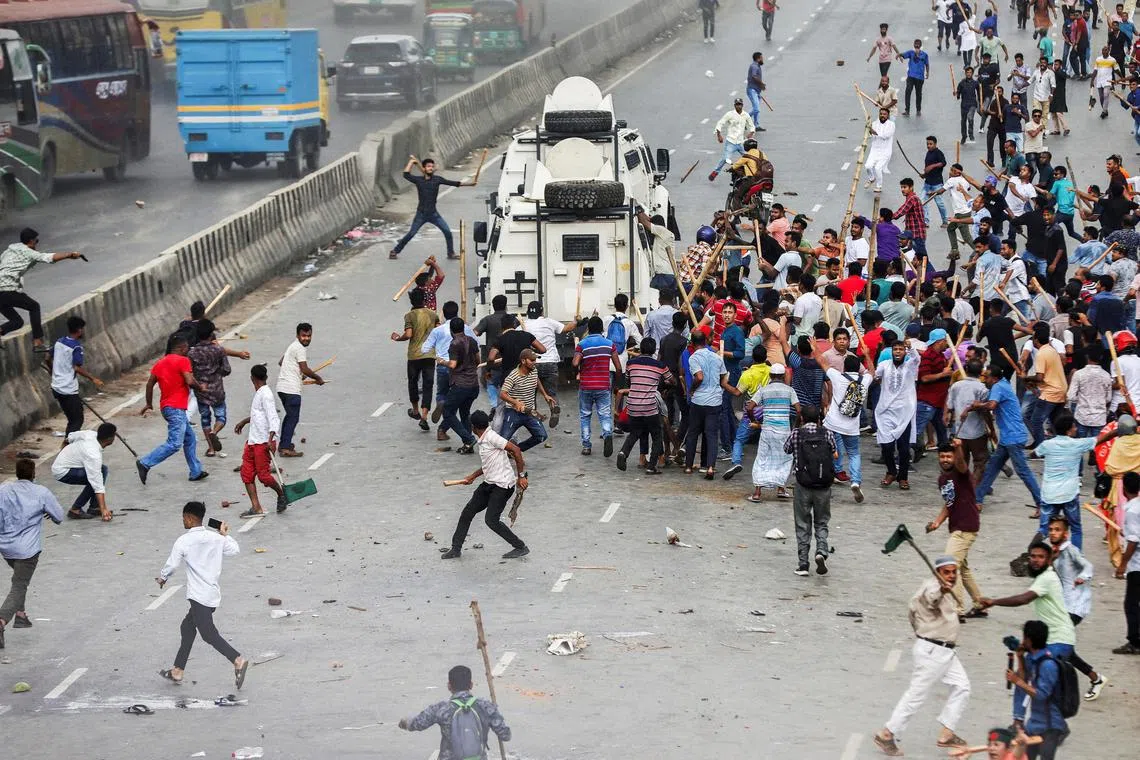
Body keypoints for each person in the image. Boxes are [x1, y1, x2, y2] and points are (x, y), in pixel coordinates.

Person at [981, 540, 1104, 702]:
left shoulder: (1047, 578)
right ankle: (1097, 679)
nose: (1035, 560)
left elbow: (1024, 599)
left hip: (1059, 636)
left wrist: (994, 602)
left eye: (1041, 557)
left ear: (1049, 560)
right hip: (1054, 635)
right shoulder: (1043, 577)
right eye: (1033, 556)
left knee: (1037, 677)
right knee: (1055, 663)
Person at [873, 555, 971, 756]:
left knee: (963, 686)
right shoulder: (932, 588)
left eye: (954, 572)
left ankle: (946, 733)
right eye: (947, 572)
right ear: (937, 573)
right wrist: (942, 589)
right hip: (933, 651)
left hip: (944, 651)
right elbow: (933, 598)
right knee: (916, 695)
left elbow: (912, 614)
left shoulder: (933, 587)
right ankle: (887, 733)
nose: (951, 576)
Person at [156, 501, 248, 689]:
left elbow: (173, 565)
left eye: (184, 518)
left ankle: (237, 659)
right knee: (187, 627)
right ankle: (177, 671)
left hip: (199, 597)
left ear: (189, 518)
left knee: (208, 634)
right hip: (212, 595)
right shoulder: (216, 538)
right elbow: (235, 550)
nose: (183, 522)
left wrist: (163, 577)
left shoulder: (183, 541)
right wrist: (224, 534)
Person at [440, 410, 529, 560]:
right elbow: (489, 463)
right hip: (489, 484)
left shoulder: (492, 437)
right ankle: (456, 549)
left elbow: (516, 450)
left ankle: (520, 547)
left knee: (491, 520)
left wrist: (521, 476)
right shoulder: (483, 439)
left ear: (473, 427)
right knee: (467, 512)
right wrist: (472, 476)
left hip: (502, 486)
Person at [0, 458, 63, 647]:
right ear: (34, 473)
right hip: (28, 550)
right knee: (19, 585)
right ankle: (2, 620)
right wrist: (46, 512)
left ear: (17, 473)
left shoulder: (3, 490)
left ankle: (21, 615)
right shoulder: (41, 493)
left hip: (5, 547)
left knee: (19, 580)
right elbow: (59, 516)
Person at [1035, 414, 1120, 547]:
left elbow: (1035, 453)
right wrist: (1119, 430)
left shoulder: (1047, 445)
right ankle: (1076, 558)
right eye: (1074, 427)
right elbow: (1102, 438)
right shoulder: (1078, 444)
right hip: (1069, 493)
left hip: (1049, 493)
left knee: (1044, 529)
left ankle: (1034, 549)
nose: (1076, 429)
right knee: (1075, 528)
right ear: (1069, 430)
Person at [1046, 515, 1108, 699]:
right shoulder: (1053, 550)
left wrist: (1083, 577)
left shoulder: (1071, 550)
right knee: (1065, 649)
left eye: (1057, 530)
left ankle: (1057, 688)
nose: (1053, 533)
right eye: (1051, 529)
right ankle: (1096, 678)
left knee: (1057, 645)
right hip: (1064, 604)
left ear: (1065, 533)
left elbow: (1087, 566)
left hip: (1077, 603)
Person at [926, 440, 987, 619]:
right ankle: (980, 605)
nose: (945, 459)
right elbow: (949, 503)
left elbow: (961, 463)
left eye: (949, 456)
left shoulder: (961, 473)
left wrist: (959, 447)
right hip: (956, 527)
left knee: (951, 567)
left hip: (965, 527)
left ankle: (957, 609)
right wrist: (937, 523)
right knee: (963, 569)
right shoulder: (942, 479)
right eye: (942, 456)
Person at [398, 664, 512, 759]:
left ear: (449, 686)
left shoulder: (442, 708)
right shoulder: (485, 706)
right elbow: (505, 735)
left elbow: (418, 723)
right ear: (471, 685)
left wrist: (404, 722)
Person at [137, 333, 207, 484]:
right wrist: (200, 387)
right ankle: (145, 462)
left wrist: (149, 403)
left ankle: (196, 471)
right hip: (176, 408)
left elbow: (150, 384)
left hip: (167, 407)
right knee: (175, 443)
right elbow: (189, 380)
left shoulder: (160, 363)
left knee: (190, 439)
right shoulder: (183, 361)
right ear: (182, 348)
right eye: (187, 348)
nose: (188, 350)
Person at [970, 363, 1042, 511]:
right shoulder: (1003, 384)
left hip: (1013, 436)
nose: (984, 379)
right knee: (992, 467)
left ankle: (1041, 503)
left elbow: (991, 405)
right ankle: (977, 499)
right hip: (1009, 436)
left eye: (987, 377)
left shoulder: (998, 387)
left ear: (994, 378)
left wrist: (977, 405)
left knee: (1023, 471)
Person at [0, 228, 83, 351]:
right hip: (7, 289)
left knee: (17, 322)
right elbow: (47, 257)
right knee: (34, 307)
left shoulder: (10, 250)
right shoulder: (28, 252)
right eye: (36, 241)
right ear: (31, 241)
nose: (37, 244)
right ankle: (37, 342)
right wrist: (69, 255)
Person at [1003, 620, 1069, 759]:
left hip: (1050, 726)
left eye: (1024, 638)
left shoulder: (1048, 665)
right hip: (1034, 724)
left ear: (1029, 640)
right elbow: (1024, 678)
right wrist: (1020, 658)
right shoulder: (1031, 658)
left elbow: (1041, 695)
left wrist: (1017, 681)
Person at [389, 156, 475, 260]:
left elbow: (454, 183)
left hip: (434, 214)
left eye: (432, 166)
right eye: (428, 166)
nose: (431, 168)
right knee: (411, 234)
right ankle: (395, 251)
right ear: (424, 168)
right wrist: (412, 162)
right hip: (421, 214)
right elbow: (406, 174)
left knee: (447, 232)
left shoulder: (437, 180)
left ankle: (450, 253)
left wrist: (470, 184)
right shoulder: (419, 180)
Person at [786, 404, 835, 576]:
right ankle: (821, 551)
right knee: (821, 521)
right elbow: (834, 451)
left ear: (802, 418)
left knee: (802, 523)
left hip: (803, 485)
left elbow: (787, 449)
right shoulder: (827, 433)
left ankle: (803, 564)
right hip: (823, 485)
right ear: (819, 418)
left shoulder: (796, 434)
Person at [232, 364, 287, 518]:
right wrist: (244, 421)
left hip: (263, 442)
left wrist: (271, 439)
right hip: (252, 441)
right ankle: (256, 507)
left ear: (252, 378)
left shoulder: (266, 395)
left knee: (263, 476)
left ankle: (281, 493)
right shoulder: (259, 393)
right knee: (246, 474)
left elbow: (273, 418)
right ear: (266, 377)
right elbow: (259, 416)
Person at [617, 337, 674, 474]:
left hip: (633, 404)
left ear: (641, 349)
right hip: (650, 405)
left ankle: (623, 453)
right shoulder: (659, 365)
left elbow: (628, 382)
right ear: (654, 350)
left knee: (635, 432)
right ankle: (651, 466)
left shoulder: (630, 364)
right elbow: (671, 380)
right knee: (656, 434)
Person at [687, 329, 739, 477]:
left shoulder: (693, 358)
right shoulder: (717, 358)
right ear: (705, 342)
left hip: (699, 400)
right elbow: (723, 379)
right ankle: (710, 467)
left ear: (692, 343)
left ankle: (689, 466)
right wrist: (733, 390)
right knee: (711, 435)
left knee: (693, 433)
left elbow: (699, 377)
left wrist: (692, 390)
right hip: (715, 401)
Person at [748, 362, 798, 499]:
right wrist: (796, 427)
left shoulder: (764, 390)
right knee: (784, 458)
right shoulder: (790, 390)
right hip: (784, 430)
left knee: (762, 458)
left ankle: (757, 492)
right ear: (783, 376)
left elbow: (749, 407)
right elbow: (799, 410)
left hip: (767, 429)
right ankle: (781, 488)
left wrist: (755, 421)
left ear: (770, 375)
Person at [824, 354, 871, 502]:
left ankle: (827, 480)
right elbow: (872, 371)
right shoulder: (865, 380)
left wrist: (814, 348)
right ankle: (855, 481)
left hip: (833, 423)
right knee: (854, 454)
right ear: (858, 367)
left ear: (844, 366)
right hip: (852, 426)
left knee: (830, 451)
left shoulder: (838, 377)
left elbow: (821, 361)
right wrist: (868, 354)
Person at [393, 289, 441, 432]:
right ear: (424, 300)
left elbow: (408, 334)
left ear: (411, 301)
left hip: (414, 356)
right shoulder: (433, 315)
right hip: (429, 355)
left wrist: (397, 338)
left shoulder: (409, 316)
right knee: (428, 385)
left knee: (413, 383)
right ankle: (424, 416)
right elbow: (438, 331)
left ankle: (415, 410)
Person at [875, 340, 920, 490]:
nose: (898, 352)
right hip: (886, 411)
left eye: (901, 349)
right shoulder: (885, 364)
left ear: (905, 351)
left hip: (904, 412)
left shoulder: (910, 366)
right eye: (896, 349)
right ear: (892, 351)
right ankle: (891, 471)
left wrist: (911, 348)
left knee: (904, 448)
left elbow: (917, 359)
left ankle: (903, 477)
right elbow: (875, 374)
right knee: (887, 446)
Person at [48, 316, 103, 437]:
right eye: (82, 328)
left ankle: (67, 443)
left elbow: (47, 358)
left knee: (72, 418)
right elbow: (76, 367)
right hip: (68, 388)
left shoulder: (59, 342)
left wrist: (53, 371)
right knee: (77, 420)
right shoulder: (76, 347)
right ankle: (67, 445)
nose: (83, 331)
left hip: (56, 387)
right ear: (79, 330)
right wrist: (93, 379)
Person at [574, 316, 620, 457]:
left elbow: (575, 363)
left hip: (586, 385)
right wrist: (617, 384)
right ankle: (607, 434)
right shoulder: (609, 344)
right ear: (602, 329)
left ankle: (587, 446)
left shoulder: (582, 344)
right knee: (605, 414)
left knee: (585, 415)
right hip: (603, 385)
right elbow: (618, 367)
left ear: (588, 329)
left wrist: (578, 372)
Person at [277, 322, 325, 455]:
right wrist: (317, 378)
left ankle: (283, 445)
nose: (306, 338)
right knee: (293, 418)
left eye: (309, 336)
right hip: (291, 389)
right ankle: (285, 448)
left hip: (282, 388)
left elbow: (282, 362)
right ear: (297, 335)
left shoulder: (292, 346)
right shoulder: (300, 348)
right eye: (304, 336)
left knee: (289, 417)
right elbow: (304, 368)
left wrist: (298, 374)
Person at [51, 423, 116, 522]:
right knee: (96, 477)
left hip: (63, 464)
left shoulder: (89, 434)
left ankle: (94, 507)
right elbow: (97, 484)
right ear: (110, 439)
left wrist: (64, 445)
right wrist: (104, 510)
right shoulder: (93, 455)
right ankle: (75, 509)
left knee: (102, 470)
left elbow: (71, 436)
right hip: (63, 471)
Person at [188, 319, 233, 458]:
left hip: (201, 391)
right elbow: (226, 369)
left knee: (205, 419)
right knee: (221, 416)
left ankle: (211, 448)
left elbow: (189, 372)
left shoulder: (192, 353)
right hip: (217, 390)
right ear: (211, 334)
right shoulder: (218, 350)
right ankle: (215, 432)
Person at [945, 360, 992, 483]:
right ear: (981, 372)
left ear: (966, 370)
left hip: (960, 431)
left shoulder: (956, 386)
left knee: (961, 462)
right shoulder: (983, 388)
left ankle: (963, 489)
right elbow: (985, 411)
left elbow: (949, 406)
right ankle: (974, 491)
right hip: (977, 432)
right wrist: (991, 430)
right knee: (980, 462)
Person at [498, 349, 552, 452]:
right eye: (532, 360)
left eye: (535, 360)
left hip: (529, 412)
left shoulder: (534, 370)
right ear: (523, 361)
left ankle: (516, 450)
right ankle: (495, 458)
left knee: (541, 436)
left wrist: (545, 395)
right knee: (503, 441)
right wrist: (515, 402)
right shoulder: (513, 376)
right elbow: (502, 394)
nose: (534, 362)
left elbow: (536, 380)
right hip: (513, 413)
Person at [443, 318, 483, 455]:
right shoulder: (471, 341)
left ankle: (468, 438)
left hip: (460, 384)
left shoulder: (454, 344)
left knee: (448, 412)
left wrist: (442, 362)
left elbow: (453, 365)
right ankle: (468, 444)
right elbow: (478, 360)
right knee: (465, 413)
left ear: (451, 330)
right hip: (473, 384)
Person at [1113, 471, 1140, 654]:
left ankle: (1135, 642)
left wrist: (1122, 565)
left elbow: (1133, 540)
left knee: (1131, 604)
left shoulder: (1131, 510)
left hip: (1137, 565)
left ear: (1124, 490)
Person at [709, 99, 755, 181]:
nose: (738, 106)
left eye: (740, 104)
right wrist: (719, 135)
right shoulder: (730, 114)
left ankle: (754, 173)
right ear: (734, 105)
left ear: (742, 105)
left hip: (741, 142)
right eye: (737, 104)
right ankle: (715, 172)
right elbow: (720, 123)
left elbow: (751, 126)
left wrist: (751, 133)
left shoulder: (746, 115)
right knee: (726, 158)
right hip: (731, 141)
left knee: (750, 157)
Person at [866, 108, 896, 192]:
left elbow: (886, 136)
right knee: (868, 166)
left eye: (884, 114)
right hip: (875, 150)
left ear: (888, 115)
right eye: (881, 114)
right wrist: (868, 128)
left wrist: (873, 131)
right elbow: (870, 135)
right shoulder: (874, 123)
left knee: (878, 168)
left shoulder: (891, 125)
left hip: (885, 151)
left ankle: (879, 186)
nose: (882, 115)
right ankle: (872, 178)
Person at [898, 39, 931, 116]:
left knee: (918, 94)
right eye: (915, 44)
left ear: (920, 45)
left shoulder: (924, 55)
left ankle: (918, 110)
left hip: (920, 78)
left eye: (918, 44)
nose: (916, 46)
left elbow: (927, 64)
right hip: (911, 76)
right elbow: (903, 54)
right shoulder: (911, 53)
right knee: (908, 91)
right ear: (913, 45)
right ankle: (907, 110)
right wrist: (898, 55)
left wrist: (928, 73)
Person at [957, 66, 983, 144]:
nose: (968, 74)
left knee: (970, 117)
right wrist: (957, 94)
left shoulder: (975, 83)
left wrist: (980, 103)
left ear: (972, 73)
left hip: (972, 104)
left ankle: (971, 133)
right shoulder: (961, 83)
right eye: (967, 72)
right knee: (963, 121)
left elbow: (979, 93)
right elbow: (958, 94)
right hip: (964, 105)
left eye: (970, 72)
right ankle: (964, 136)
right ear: (965, 73)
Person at [745, 51, 766, 129]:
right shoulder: (754, 66)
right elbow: (754, 76)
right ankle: (743, 121)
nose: (763, 60)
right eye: (762, 58)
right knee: (756, 109)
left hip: (756, 91)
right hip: (752, 90)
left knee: (756, 109)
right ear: (758, 59)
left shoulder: (757, 66)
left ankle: (756, 125)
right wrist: (762, 84)